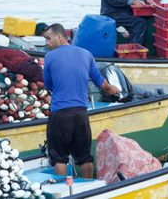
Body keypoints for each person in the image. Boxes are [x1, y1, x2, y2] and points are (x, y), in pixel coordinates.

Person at [42, 24, 120, 178]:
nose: (46, 43)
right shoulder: (86, 54)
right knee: (84, 157)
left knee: (60, 159)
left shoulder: (49, 57)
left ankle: (64, 192)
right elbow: (101, 83)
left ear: (60, 37)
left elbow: (48, 85)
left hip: (60, 114)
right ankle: (88, 190)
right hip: (81, 114)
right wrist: (113, 89)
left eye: (48, 38)